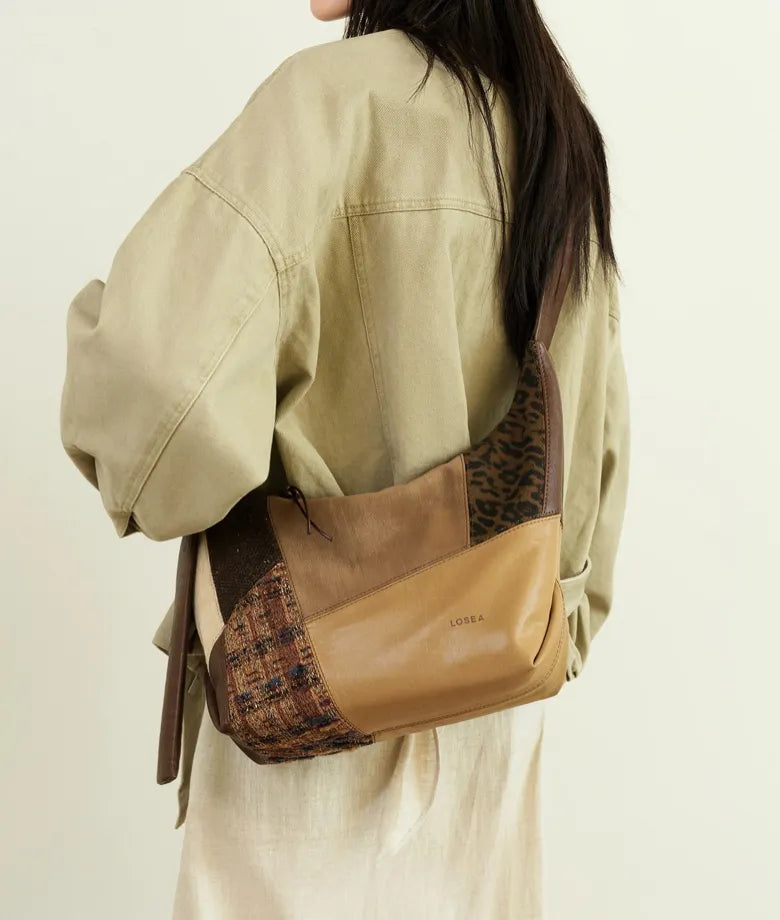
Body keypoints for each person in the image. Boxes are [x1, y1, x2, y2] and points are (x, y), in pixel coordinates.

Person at [59, 1, 631, 917]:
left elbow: (159, 384)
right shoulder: (555, 133)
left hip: (310, 697)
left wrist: (106, 358)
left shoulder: (325, 107)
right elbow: (592, 458)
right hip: (492, 717)